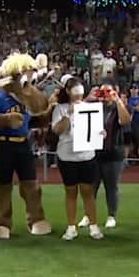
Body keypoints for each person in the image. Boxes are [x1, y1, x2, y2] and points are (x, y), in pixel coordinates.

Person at [51, 77, 103, 241]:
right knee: (70, 192)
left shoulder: (90, 108)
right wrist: (69, 114)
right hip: (67, 156)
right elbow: (57, 130)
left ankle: (93, 226)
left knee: (88, 191)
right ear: (68, 92)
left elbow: (95, 129)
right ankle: (71, 227)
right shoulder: (60, 109)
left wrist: (100, 134)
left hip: (87, 155)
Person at [77, 80, 131, 229]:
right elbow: (78, 113)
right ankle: (88, 215)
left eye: (108, 92)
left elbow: (125, 120)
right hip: (95, 153)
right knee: (90, 187)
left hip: (113, 153)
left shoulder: (117, 107)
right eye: (102, 92)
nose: (105, 95)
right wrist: (88, 98)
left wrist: (117, 100)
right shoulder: (94, 107)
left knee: (111, 187)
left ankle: (111, 215)